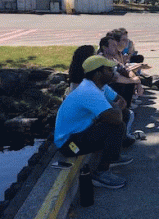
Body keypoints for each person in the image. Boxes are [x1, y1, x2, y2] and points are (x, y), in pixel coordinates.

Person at [54, 55, 133, 189]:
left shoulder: (100, 86)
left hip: (82, 131)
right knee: (116, 126)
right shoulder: (89, 91)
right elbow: (116, 117)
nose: (113, 72)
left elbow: (122, 102)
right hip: (68, 144)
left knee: (123, 115)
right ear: (97, 73)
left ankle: (113, 156)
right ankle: (101, 173)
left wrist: (115, 108)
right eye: (108, 70)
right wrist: (115, 107)